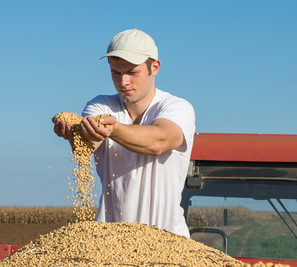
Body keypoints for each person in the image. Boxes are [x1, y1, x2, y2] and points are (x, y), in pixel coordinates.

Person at [52, 29, 196, 236]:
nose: (123, 82)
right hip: (109, 239)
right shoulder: (101, 105)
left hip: (167, 239)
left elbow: (160, 141)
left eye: (132, 72)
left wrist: (114, 129)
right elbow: (87, 143)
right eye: (116, 72)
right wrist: (75, 132)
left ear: (154, 67)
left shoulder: (176, 107)